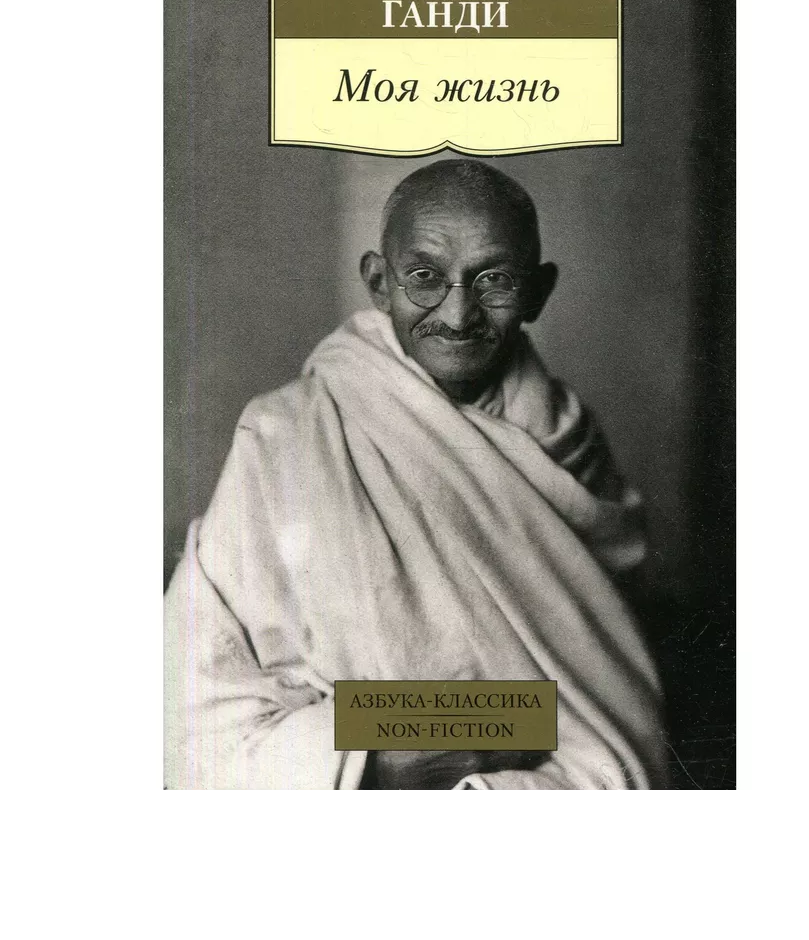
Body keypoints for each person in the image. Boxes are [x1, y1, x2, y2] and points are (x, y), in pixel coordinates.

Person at [164, 160, 666, 794]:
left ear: (538, 292)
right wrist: (372, 759)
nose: (457, 315)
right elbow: (190, 708)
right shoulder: (285, 434)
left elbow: (608, 712)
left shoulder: (570, 444)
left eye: (494, 280)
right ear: (380, 282)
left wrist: (476, 736)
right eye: (425, 277)